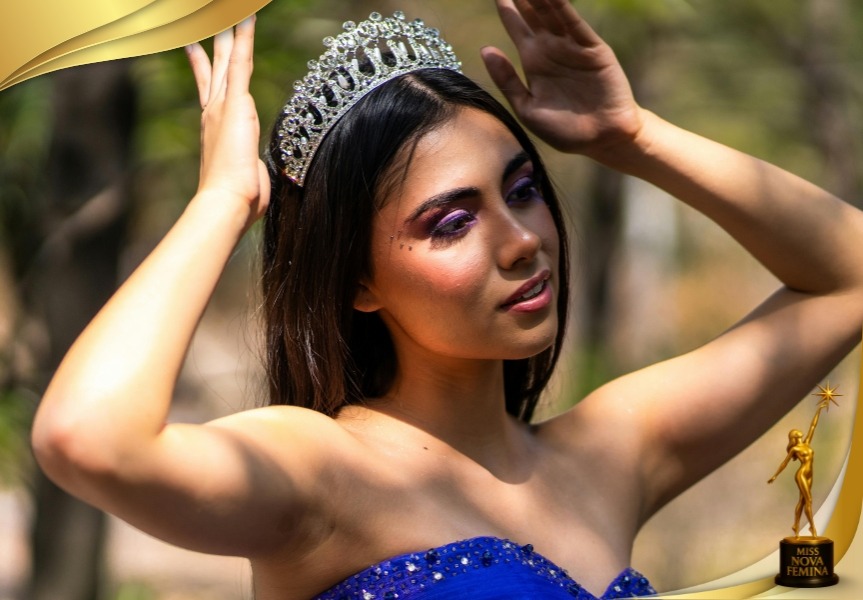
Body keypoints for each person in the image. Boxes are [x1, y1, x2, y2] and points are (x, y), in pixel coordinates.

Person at [30, 1, 863, 599]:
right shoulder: (326, 473)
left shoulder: (610, 453)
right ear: (356, 282)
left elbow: (849, 277)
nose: (521, 239)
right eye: (452, 222)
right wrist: (221, 203)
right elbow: (88, 437)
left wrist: (634, 137)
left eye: (523, 189)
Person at [768, 393, 839, 538]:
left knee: (802, 501)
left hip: (810, 474)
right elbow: (784, 463)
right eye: (797, 436)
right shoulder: (795, 449)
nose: (800, 437)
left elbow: (813, 427)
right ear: (793, 439)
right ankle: (812, 527)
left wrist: (819, 410)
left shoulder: (806, 444)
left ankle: (796, 525)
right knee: (809, 500)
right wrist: (775, 475)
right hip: (801, 474)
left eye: (800, 435)